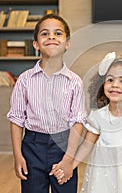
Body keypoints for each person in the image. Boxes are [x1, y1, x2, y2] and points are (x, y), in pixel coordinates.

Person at [51, 52, 122, 192]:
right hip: (104, 176)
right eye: (110, 80)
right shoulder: (98, 117)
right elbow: (86, 146)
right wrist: (71, 165)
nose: (114, 85)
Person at [7, 14, 87, 193]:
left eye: (58, 33)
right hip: (32, 146)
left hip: (64, 146)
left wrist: (69, 159)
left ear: (67, 43)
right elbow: (16, 119)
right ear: (36, 44)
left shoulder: (74, 82)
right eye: (45, 34)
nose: (51, 37)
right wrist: (18, 155)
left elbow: (78, 121)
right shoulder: (25, 80)